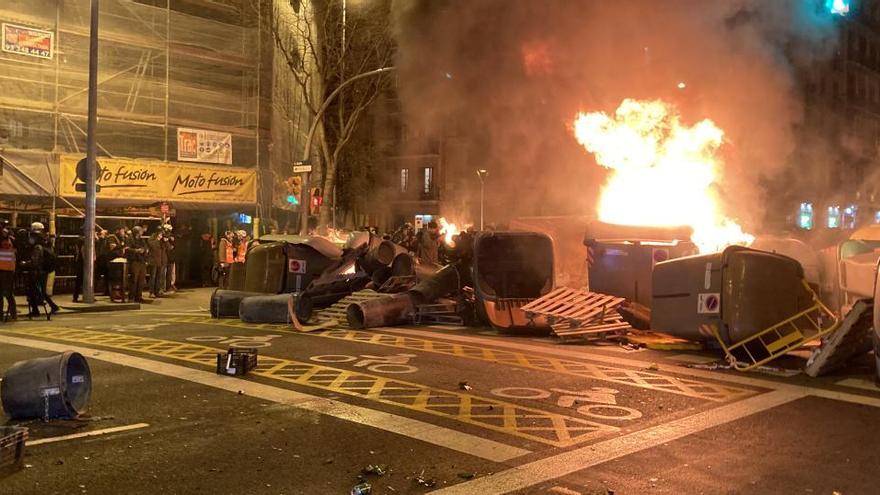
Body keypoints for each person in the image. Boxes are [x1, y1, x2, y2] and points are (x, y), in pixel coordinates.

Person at [0, 222, 17, 320]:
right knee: (8, 293)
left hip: (3, 269)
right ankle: (13, 313)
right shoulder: (10, 236)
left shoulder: (4, 236)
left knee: (4, 293)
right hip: (9, 269)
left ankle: (1, 315)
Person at [127, 226, 148, 303]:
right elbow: (127, 249)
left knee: (141, 279)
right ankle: (131, 297)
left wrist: (144, 250)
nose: (142, 232)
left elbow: (145, 247)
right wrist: (136, 250)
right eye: (140, 231)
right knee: (134, 279)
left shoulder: (141, 240)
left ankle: (139, 296)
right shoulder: (130, 239)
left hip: (141, 261)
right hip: (134, 261)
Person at [147, 226, 166, 298]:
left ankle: (157, 291)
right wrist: (158, 240)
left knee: (159, 277)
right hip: (154, 261)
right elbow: (152, 246)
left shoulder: (162, 240)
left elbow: (167, 247)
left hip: (161, 261)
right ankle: (151, 292)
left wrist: (166, 241)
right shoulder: (152, 238)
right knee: (153, 277)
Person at [163, 224, 177, 293]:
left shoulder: (171, 237)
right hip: (166, 257)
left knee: (171, 273)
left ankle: (169, 286)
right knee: (166, 273)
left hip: (171, 257)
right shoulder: (165, 238)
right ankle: (166, 287)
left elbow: (174, 246)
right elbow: (168, 247)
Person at [72, 232, 85, 302]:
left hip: (78, 262)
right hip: (83, 263)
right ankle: (84, 294)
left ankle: (75, 296)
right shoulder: (84, 241)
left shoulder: (78, 241)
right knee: (82, 279)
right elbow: (83, 252)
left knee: (78, 280)